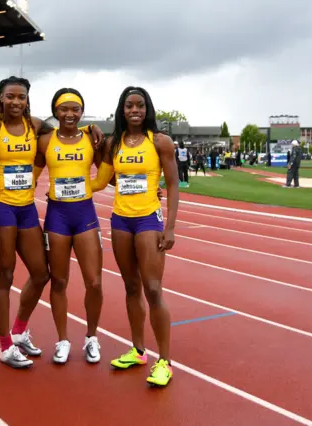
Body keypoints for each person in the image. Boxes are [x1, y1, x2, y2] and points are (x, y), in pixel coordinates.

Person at [0, 77, 104, 368]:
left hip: (26, 208)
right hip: (0, 207)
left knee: (41, 273)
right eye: (10, 97)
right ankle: (5, 346)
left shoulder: (37, 126)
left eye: (21, 97)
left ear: (28, 100)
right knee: (5, 275)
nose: (16, 102)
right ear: (1, 98)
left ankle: (18, 331)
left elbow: (67, 127)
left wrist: (89, 127)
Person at [90, 86, 179, 387]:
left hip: (148, 221)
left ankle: (164, 361)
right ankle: (138, 350)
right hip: (120, 220)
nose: (135, 110)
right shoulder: (114, 144)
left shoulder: (160, 142)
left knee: (153, 289)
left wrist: (170, 227)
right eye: (129, 106)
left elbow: (174, 185)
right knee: (131, 287)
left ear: (148, 108)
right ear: (122, 110)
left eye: (140, 105)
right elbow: (109, 178)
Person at [33, 88, 103, 364]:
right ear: (55, 111)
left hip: (85, 214)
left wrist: (141, 191)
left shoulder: (91, 138)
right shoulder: (46, 141)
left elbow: (108, 172)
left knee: (94, 282)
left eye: (75, 109)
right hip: (57, 216)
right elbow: (32, 175)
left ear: (82, 112)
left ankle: (91, 337)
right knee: (59, 280)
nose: (70, 114)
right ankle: (62, 340)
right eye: (64, 109)